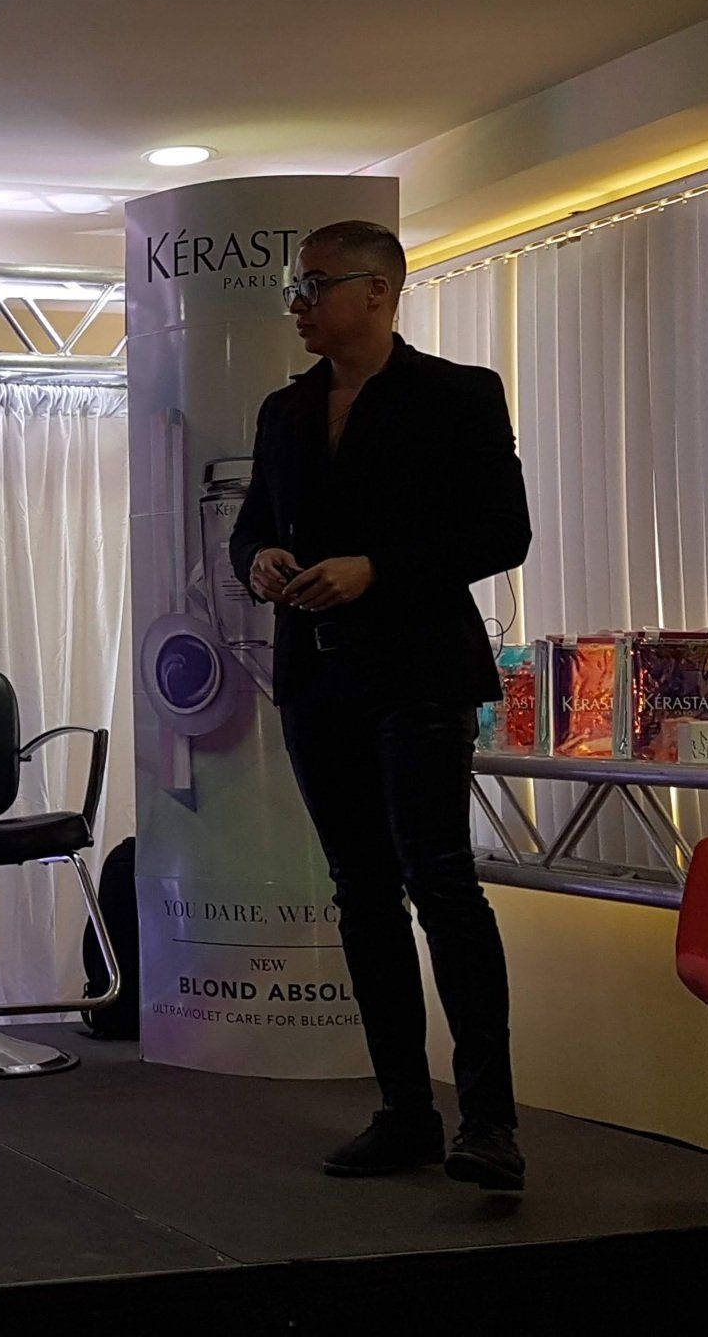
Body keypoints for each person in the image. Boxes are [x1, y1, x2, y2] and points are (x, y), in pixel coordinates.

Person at [229, 220, 533, 1191]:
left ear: (379, 291)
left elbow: (504, 533)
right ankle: (405, 1111)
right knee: (362, 895)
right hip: (316, 677)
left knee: (441, 884)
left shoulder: (458, 393)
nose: (298, 302)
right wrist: (260, 561)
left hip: (420, 673)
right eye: (295, 286)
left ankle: (489, 1124)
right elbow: (249, 531)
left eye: (315, 284)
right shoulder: (285, 410)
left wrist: (378, 569)